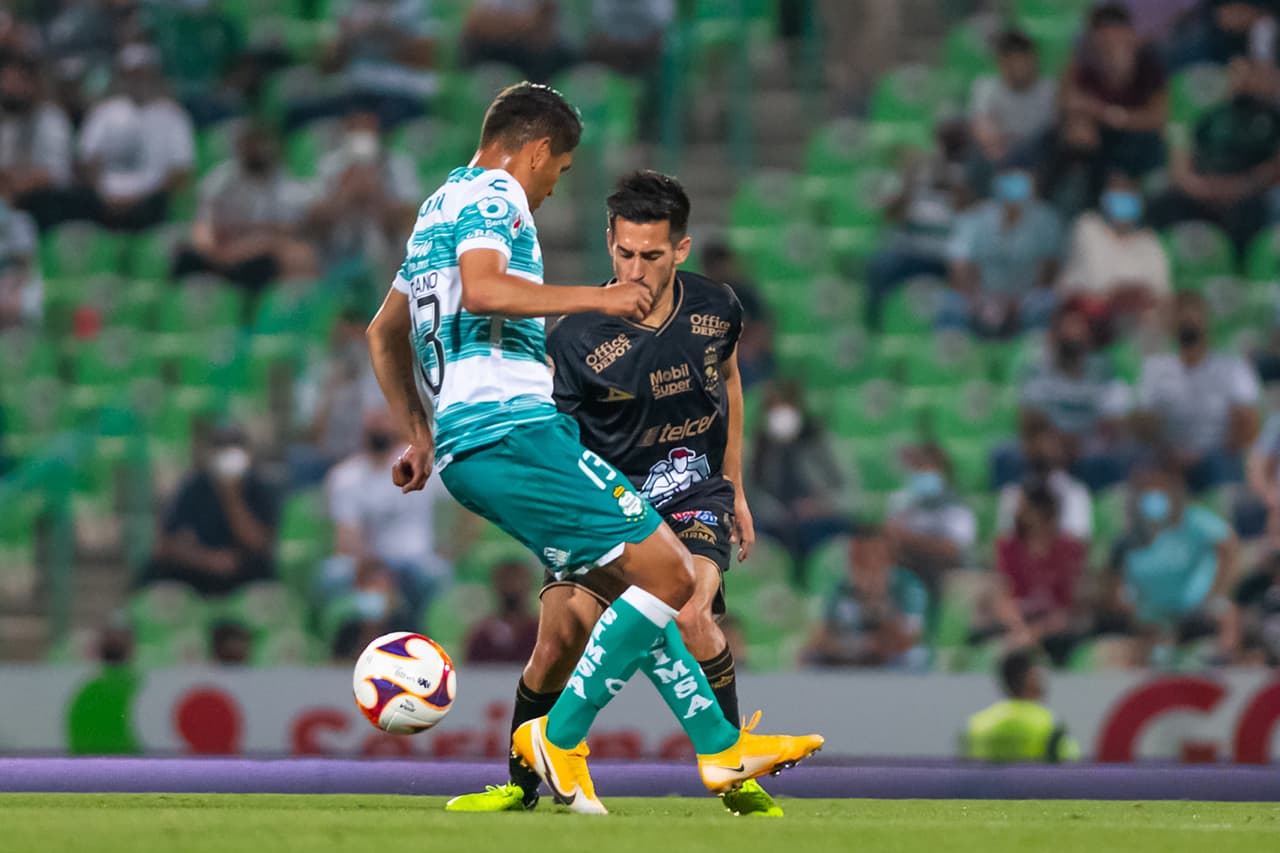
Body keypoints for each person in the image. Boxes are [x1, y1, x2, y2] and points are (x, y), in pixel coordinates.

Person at [364, 84, 821, 815]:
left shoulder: (434, 210)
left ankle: (719, 749)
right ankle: (562, 738)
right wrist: (600, 298)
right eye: (561, 170)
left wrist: (420, 431)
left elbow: (381, 333)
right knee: (672, 578)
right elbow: (483, 291)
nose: (551, 188)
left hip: (467, 441)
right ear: (538, 150)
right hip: (511, 427)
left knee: (640, 592)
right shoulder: (494, 198)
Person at [446, 170, 789, 817]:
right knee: (557, 641)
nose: (636, 268)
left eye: (652, 256)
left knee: (692, 609)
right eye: (625, 252)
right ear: (610, 242)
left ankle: (735, 775)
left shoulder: (718, 306)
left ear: (680, 250)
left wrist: (736, 485)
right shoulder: (575, 336)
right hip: (608, 503)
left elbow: (731, 378)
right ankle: (521, 784)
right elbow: (554, 437)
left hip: (693, 490)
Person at [321, 408, 457, 625]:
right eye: (372, 423)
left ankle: (424, 632)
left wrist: (451, 547)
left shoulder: (421, 462)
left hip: (415, 559)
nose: (378, 428)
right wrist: (370, 569)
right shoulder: (345, 476)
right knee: (333, 574)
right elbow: (346, 536)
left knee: (437, 572)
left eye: (383, 421)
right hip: (366, 560)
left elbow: (460, 504)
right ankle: (343, 640)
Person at [1102, 460, 1240, 666]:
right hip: (1152, 613)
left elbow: (1227, 545)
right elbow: (1113, 586)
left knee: (1225, 614)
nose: (1152, 494)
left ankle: (1226, 669)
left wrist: (1216, 591)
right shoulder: (1128, 537)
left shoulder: (1194, 520)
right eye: (1145, 487)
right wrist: (1130, 606)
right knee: (1138, 641)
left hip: (1197, 607)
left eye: (1159, 486)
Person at [1148, 57, 1280, 259]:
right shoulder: (1209, 116)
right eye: (1237, 74)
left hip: (1250, 192)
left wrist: (1237, 189)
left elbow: (1272, 169)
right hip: (1204, 188)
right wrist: (1203, 188)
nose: (1244, 81)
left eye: (1251, 74)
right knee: (1163, 201)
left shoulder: (1272, 118)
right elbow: (1182, 163)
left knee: (1261, 208)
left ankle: (1246, 271)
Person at [1136, 291, 1261, 492]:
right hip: (1168, 456)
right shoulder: (1154, 369)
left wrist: (1203, 455)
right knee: (1138, 465)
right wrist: (1171, 452)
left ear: (1206, 323)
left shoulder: (1232, 368)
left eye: (1193, 316)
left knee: (1220, 467)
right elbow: (1144, 424)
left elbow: (1249, 425)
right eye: (1181, 316)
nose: (1188, 322)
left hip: (1217, 455)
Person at [171, 122, 317, 294]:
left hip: (256, 256)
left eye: (262, 144)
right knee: (184, 257)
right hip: (221, 251)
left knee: (284, 260)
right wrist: (211, 249)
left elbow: (279, 236)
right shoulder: (221, 179)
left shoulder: (290, 189)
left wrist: (241, 250)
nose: (256, 150)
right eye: (250, 143)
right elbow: (203, 225)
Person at [140, 424, 279, 597]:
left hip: (240, 572)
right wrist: (207, 560)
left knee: (263, 571)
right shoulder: (193, 487)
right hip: (197, 568)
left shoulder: (258, 488)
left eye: (234, 448)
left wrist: (231, 496)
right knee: (155, 570)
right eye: (221, 448)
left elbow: (259, 544)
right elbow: (164, 544)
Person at [1011, 301, 1135, 490]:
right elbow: (1029, 417)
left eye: (1078, 329)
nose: (1073, 335)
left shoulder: (1103, 370)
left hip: (1090, 445)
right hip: (1049, 443)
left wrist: (1083, 441)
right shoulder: (1037, 370)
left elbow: (1115, 418)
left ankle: (1103, 512)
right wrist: (1054, 440)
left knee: (1119, 456)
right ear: (1055, 336)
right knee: (1008, 455)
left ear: (1088, 338)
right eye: (1067, 329)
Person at [76, 43, 195, 231]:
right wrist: (103, 194)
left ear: (154, 76)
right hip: (106, 199)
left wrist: (140, 197)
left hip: (151, 200)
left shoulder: (173, 116)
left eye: (143, 74)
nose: (137, 80)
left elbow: (180, 170)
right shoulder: (104, 112)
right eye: (131, 74)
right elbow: (88, 160)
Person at [750, 379, 855, 587]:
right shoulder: (761, 446)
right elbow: (751, 493)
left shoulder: (818, 440)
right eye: (773, 407)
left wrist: (820, 506)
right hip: (775, 523)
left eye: (785, 406)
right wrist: (778, 511)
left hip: (819, 519)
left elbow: (849, 491)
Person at [941, 165, 1063, 337]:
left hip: (1025, 300)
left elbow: (1050, 268)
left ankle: (1035, 359)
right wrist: (977, 299)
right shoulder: (975, 217)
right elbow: (959, 265)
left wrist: (1019, 303)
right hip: (979, 296)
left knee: (1046, 302)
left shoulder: (1046, 220)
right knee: (951, 304)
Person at [308, 108, 421, 278]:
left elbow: (408, 220)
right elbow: (315, 223)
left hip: (389, 254)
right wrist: (344, 193)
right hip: (336, 251)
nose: (362, 137)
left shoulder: (399, 165)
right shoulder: (329, 164)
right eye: (356, 130)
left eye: (367, 130)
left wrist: (376, 193)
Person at [1062, 3, 1169, 178]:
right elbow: (1067, 100)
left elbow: (1158, 117)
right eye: (1102, 34)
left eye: (1116, 31)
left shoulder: (1150, 62)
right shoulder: (1083, 60)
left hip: (1138, 141)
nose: (1110, 39)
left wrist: (1114, 116)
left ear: (1129, 33)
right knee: (1072, 138)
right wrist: (1080, 119)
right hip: (1099, 141)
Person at [802, 525, 930, 669]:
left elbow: (908, 639)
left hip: (889, 661)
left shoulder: (907, 585)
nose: (867, 564)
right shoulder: (840, 587)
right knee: (809, 657)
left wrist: (877, 603)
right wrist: (854, 647)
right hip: (848, 656)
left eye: (873, 556)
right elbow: (817, 637)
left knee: (913, 657)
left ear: (888, 558)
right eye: (858, 557)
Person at [987, 486, 1087, 667]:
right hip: (1018, 622)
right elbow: (1002, 597)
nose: (1016, 512)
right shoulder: (1007, 547)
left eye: (1022, 507)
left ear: (1039, 512)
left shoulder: (1071, 549)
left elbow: (1070, 608)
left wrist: (1035, 633)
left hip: (1056, 628)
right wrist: (1020, 629)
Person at [1057, 171, 1171, 314]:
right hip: (1089, 315)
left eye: (1128, 193)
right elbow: (1096, 282)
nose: (1122, 200)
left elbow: (1161, 291)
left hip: (1137, 318)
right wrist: (1123, 293)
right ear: (1105, 199)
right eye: (1117, 193)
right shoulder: (1088, 227)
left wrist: (1130, 295)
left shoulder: (1150, 241)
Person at [962, 648, 1081, 762]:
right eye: (1038, 675)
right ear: (1031, 679)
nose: (1043, 680)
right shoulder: (1050, 724)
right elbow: (1070, 763)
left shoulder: (976, 724)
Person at [886, 443, 977, 591]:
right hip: (908, 569)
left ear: (941, 472)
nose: (920, 473)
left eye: (926, 468)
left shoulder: (957, 506)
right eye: (916, 467)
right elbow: (890, 540)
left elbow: (953, 550)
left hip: (945, 572)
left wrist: (909, 539)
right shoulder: (901, 502)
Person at [0, 52, 74, 230]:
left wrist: (14, 185)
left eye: (15, 83)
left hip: (46, 206)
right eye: (5, 83)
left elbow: (56, 173)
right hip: (11, 201)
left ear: (32, 84)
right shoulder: (9, 124)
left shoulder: (52, 119)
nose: (8, 90)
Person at [968, 30, 1057, 172]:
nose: (1017, 66)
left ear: (1033, 59)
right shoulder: (986, 87)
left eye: (1021, 59)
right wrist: (992, 140)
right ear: (1001, 62)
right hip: (1003, 153)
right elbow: (982, 125)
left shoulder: (1050, 90)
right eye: (1010, 59)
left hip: (1040, 155)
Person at [995, 422, 1093, 542]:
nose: (1046, 449)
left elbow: (1078, 541)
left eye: (1053, 445)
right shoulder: (1012, 492)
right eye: (1039, 444)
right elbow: (1006, 540)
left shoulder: (1076, 493)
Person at [464, 559, 540, 664]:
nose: (512, 586)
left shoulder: (540, 633)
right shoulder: (482, 635)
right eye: (506, 580)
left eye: (518, 580)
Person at [0, 191, 41, 330]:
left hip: (16, 279)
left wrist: (14, 287)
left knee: (27, 299)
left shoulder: (19, 221)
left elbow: (26, 263)